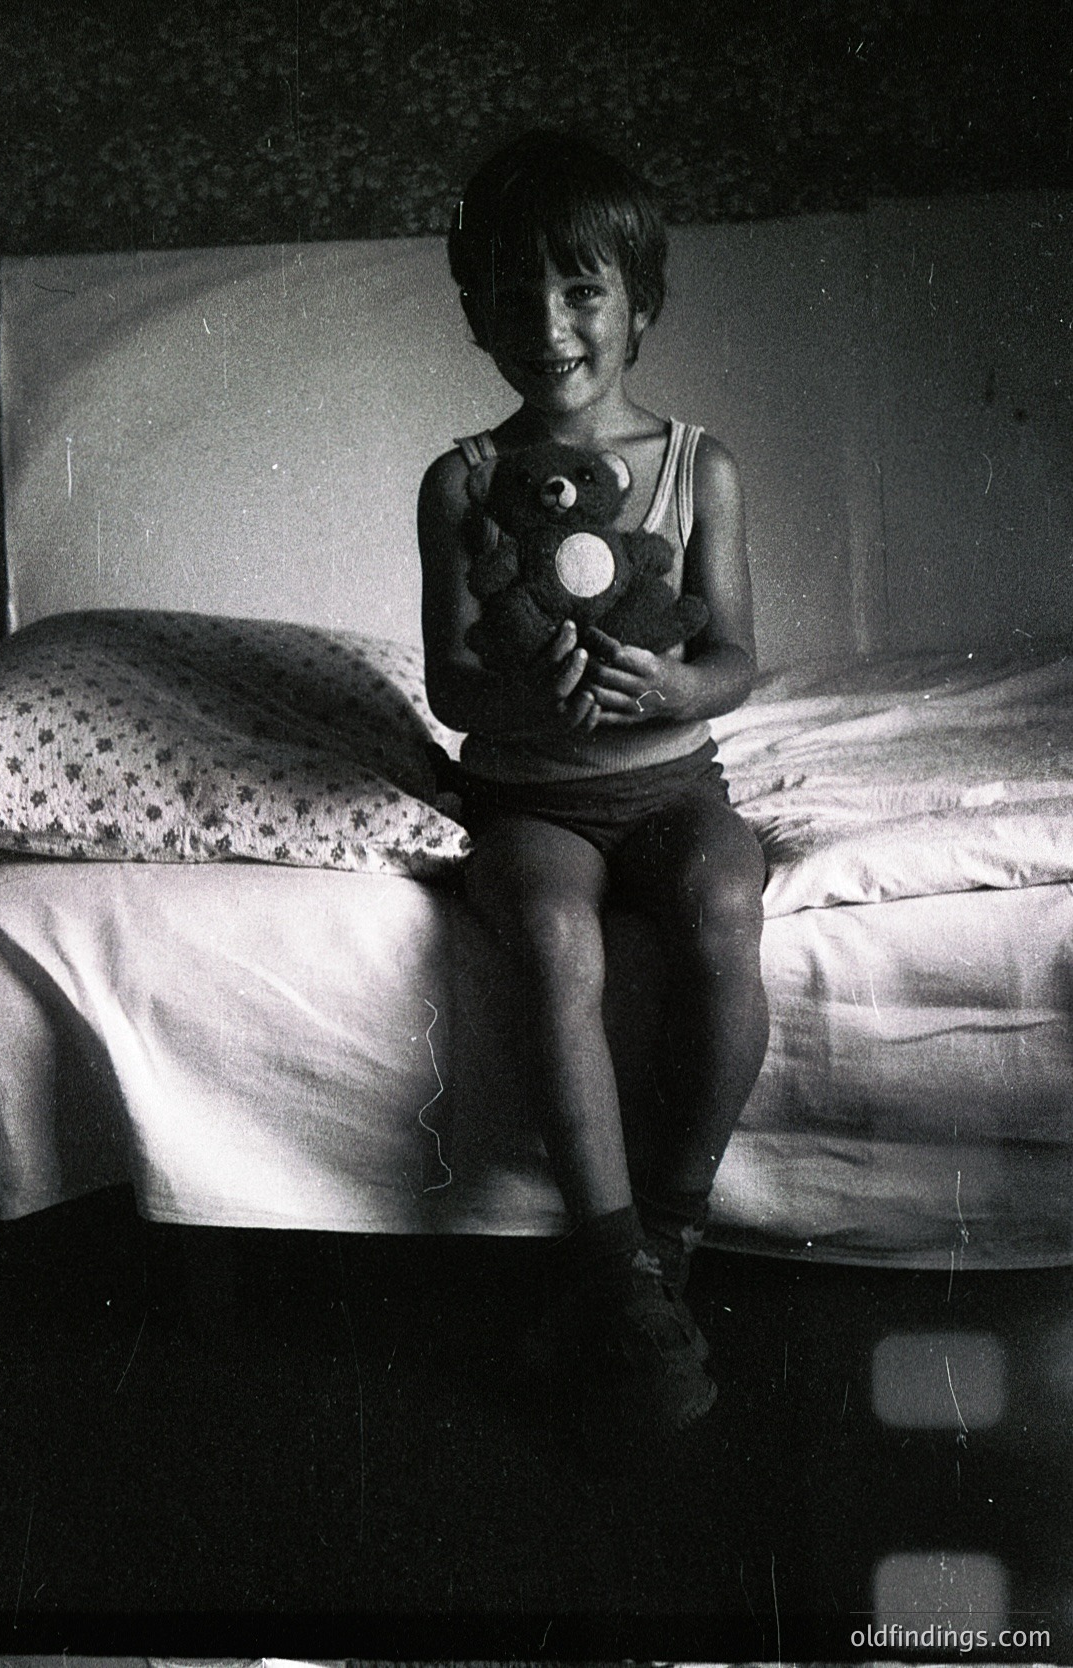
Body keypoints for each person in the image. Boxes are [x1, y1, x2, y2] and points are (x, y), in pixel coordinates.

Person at [417, 131, 768, 1439]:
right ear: (476, 316)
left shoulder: (700, 465)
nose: (550, 326)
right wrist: (529, 700)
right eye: (515, 297)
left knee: (724, 903)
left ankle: (667, 1234)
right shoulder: (460, 481)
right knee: (553, 935)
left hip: (671, 786)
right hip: (533, 801)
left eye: (581, 291)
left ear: (641, 301)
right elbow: (454, 687)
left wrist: (675, 689)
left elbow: (734, 660)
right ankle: (612, 1266)